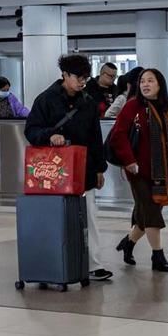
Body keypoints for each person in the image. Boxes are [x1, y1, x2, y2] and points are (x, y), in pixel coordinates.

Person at [24, 54, 113, 282]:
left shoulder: (88, 102)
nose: (82, 82)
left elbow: (95, 136)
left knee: (90, 215)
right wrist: (49, 135)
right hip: (53, 171)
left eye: (86, 77)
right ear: (65, 75)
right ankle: (51, 260)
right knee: (56, 216)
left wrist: (100, 168)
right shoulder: (45, 100)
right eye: (78, 77)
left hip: (83, 168)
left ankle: (94, 264)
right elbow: (31, 131)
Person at [108, 68, 168, 272]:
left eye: (150, 80)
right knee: (152, 213)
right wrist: (129, 160)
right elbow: (118, 135)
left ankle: (128, 243)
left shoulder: (167, 109)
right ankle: (157, 256)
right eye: (142, 81)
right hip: (138, 171)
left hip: (161, 173)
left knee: (146, 216)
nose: (145, 84)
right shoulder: (132, 106)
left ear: (160, 85)